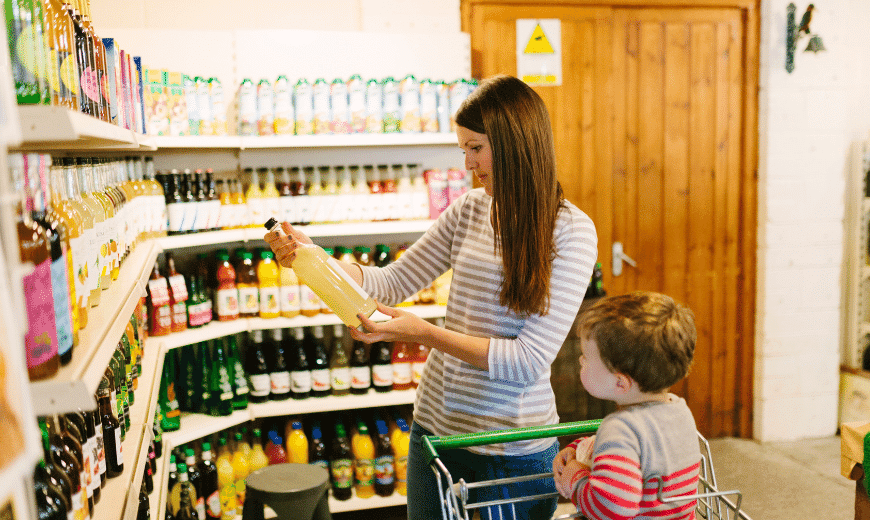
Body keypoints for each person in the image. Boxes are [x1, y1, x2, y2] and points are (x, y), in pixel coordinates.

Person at [264, 74, 597, 519]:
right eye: (463, 149)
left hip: (511, 444)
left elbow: (527, 361)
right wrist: (315, 258)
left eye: (475, 148)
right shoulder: (468, 210)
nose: (468, 163)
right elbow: (391, 282)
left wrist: (424, 333)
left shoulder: (571, 230)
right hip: (436, 431)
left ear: (515, 143)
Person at [552, 292, 700, 519]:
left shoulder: (620, 428)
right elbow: (646, 451)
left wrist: (575, 478)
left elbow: (612, 509)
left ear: (620, 382)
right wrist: (579, 448)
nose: (581, 361)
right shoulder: (679, 409)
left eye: (586, 358)